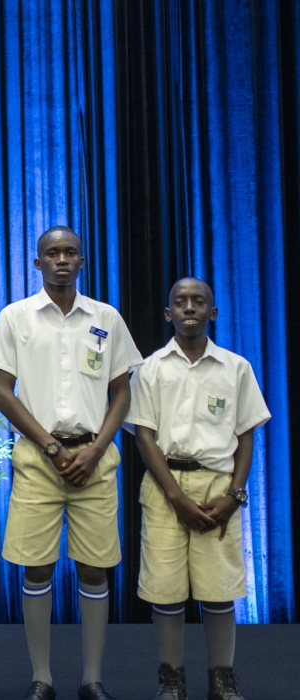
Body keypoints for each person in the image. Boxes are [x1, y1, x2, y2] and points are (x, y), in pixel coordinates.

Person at [0, 226, 142, 700]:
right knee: (37, 568)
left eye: (70, 252)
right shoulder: (16, 317)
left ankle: (92, 679)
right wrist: (51, 446)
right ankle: (41, 679)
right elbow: (1, 392)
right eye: (52, 253)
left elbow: (123, 391)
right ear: (37, 263)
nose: (62, 259)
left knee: (94, 569)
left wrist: (93, 450)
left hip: (95, 456)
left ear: (83, 261)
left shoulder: (106, 317)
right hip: (38, 458)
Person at [127, 277, 269, 700]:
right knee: (165, 588)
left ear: (213, 312)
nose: (190, 307)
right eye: (181, 302)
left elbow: (246, 436)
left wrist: (234, 495)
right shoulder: (151, 368)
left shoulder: (236, 367)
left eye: (199, 301)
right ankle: (171, 676)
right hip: (165, 485)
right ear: (169, 313)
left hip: (217, 487)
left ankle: (222, 675)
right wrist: (176, 497)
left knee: (218, 586)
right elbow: (144, 436)